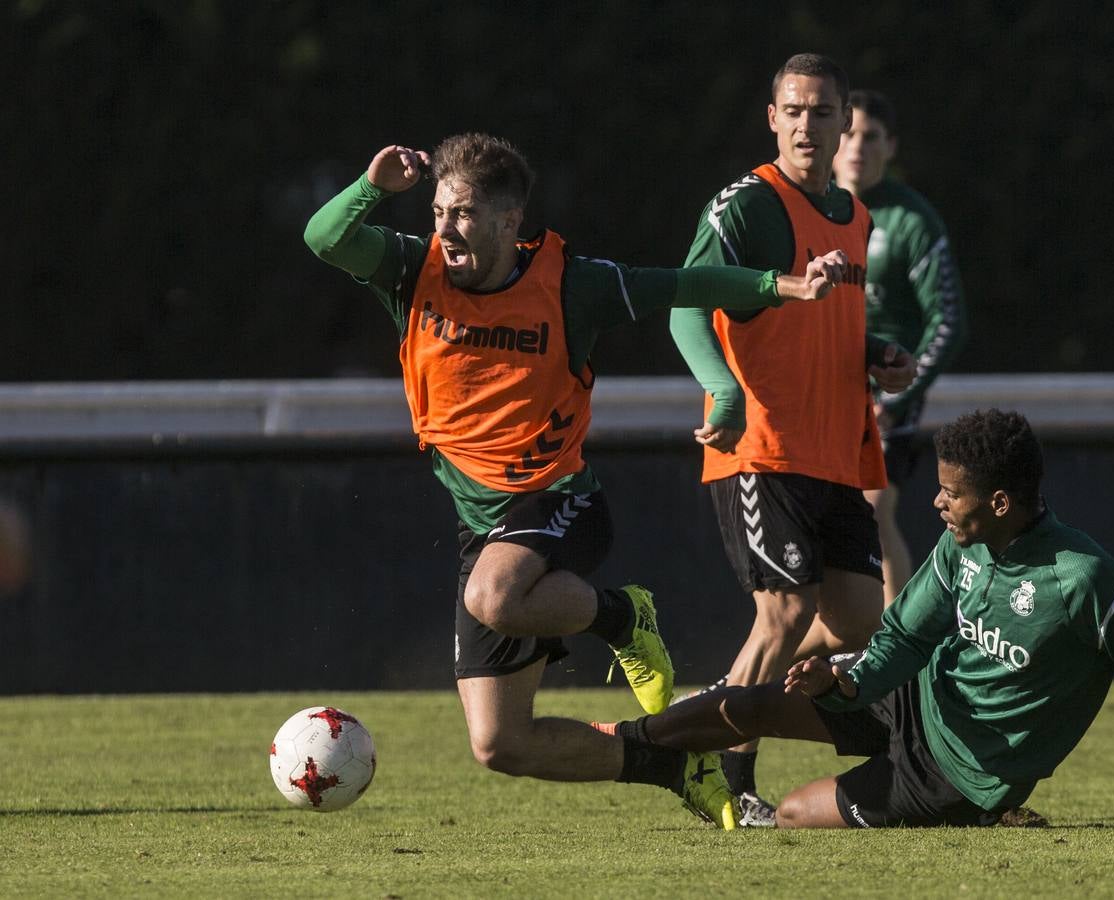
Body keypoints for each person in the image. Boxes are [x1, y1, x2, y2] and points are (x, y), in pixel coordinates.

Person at [305, 134, 853, 829]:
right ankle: (671, 763)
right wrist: (374, 186)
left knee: (493, 596)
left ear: (509, 222)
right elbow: (324, 238)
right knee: (500, 744)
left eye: (464, 213)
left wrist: (783, 285)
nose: (444, 228)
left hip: (560, 503)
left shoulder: (571, 284)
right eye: (439, 211)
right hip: (487, 527)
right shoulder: (413, 270)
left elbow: (679, 284)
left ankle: (624, 615)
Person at [601, 409, 1114, 831]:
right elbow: (904, 636)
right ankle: (632, 739)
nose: (936, 501)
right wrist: (846, 683)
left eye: (949, 492)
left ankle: (987, 816)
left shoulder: (1084, 580)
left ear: (998, 501)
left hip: (956, 777)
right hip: (910, 698)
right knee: (749, 706)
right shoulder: (961, 544)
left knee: (793, 814)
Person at [669, 53, 918, 825]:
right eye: (795, 110)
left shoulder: (854, 214)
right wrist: (722, 390)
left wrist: (877, 356)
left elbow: (830, 323)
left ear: (845, 123)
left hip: (834, 451)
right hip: (763, 448)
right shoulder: (746, 205)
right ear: (772, 118)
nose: (809, 124)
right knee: (782, 617)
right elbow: (684, 304)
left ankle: (712, 708)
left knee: (856, 620)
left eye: (823, 112)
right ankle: (726, 775)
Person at [833, 88, 968, 604]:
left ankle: (897, 653)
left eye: (870, 137)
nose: (856, 147)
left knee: (872, 506)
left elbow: (949, 320)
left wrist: (902, 391)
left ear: (891, 147)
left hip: (885, 395)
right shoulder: (806, 210)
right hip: (820, 387)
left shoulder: (911, 220)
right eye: (848, 133)